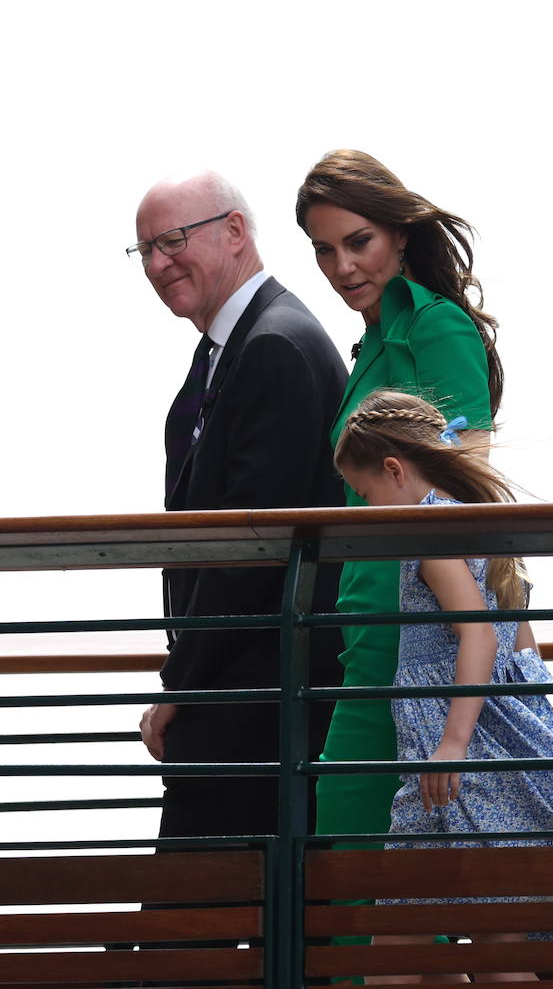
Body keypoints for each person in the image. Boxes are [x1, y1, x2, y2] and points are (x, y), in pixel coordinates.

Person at [334, 390, 553, 983]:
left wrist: (452, 744)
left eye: (365, 495)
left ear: (394, 470)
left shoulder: (428, 532)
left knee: (408, 942)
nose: (365, 509)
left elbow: (479, 637)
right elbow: (521, 650)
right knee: (474, 936)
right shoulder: (473, 519)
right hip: (480, 753)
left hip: (451, 757)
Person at [295, 149, 504, 847]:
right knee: (369, 862)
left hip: (417, 628)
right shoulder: (372, 342)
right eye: (324, 251)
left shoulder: (435, 326)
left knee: (370, 860)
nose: (342, 267)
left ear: (400, 234)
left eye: (359, 242)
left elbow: (464, 489)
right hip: (362, 623)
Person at [132, 170, 347, 839]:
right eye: (145, 252)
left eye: (172, 240)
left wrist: (181, 684)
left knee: (193, 928)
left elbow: (248, 554)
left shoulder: (273, 346)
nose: (159, 263)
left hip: (262, 706)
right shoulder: (234, 348)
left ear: (234, 231)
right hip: (245, 699)